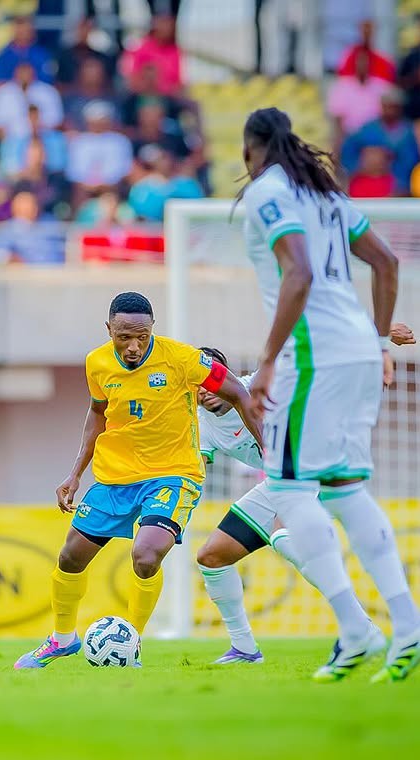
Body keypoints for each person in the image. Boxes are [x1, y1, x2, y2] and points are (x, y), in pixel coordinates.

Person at [239, 107, 419, 682]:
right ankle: (407, 626)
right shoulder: (326, 194)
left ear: (250, 149)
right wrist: (380, 341)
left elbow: (298, 272)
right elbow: (386, 262)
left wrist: (268, 361)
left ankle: (356, 630)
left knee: (289, 490)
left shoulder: (268, 193)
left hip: (314, 357)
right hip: (360, 351)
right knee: (344, 490)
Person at [13, 292, 260, 670]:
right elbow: (97, 414)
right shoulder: (96, 363)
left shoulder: (183, 359)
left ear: (152, 329)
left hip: (172, 475)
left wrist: (268, 451)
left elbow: (239, 393)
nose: (133, 346)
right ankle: (62, 639)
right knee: (70, 557)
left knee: (145, 555)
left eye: (142, 337)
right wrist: (75, 473)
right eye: (124, 337)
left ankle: (131, 642)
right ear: (109, 329)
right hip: (114, 478)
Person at [195, 331, 416, 666]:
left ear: (229, 377)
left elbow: (321, 345)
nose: (206, 389)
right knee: (212, 557)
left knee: (284, 536)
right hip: (282, 481)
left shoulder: (261, 384)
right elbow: (194, 467)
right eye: (198, 383)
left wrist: (380, 336)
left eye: (213, 379)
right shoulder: (201, 426)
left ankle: (359, 627)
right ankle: (245, 649)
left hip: (318, 464)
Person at [0, 16, 52, 83]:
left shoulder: (42, 54)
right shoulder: (1, 55)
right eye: (20, 32)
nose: (23, 35)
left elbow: (48, 81)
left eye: (26, 31)